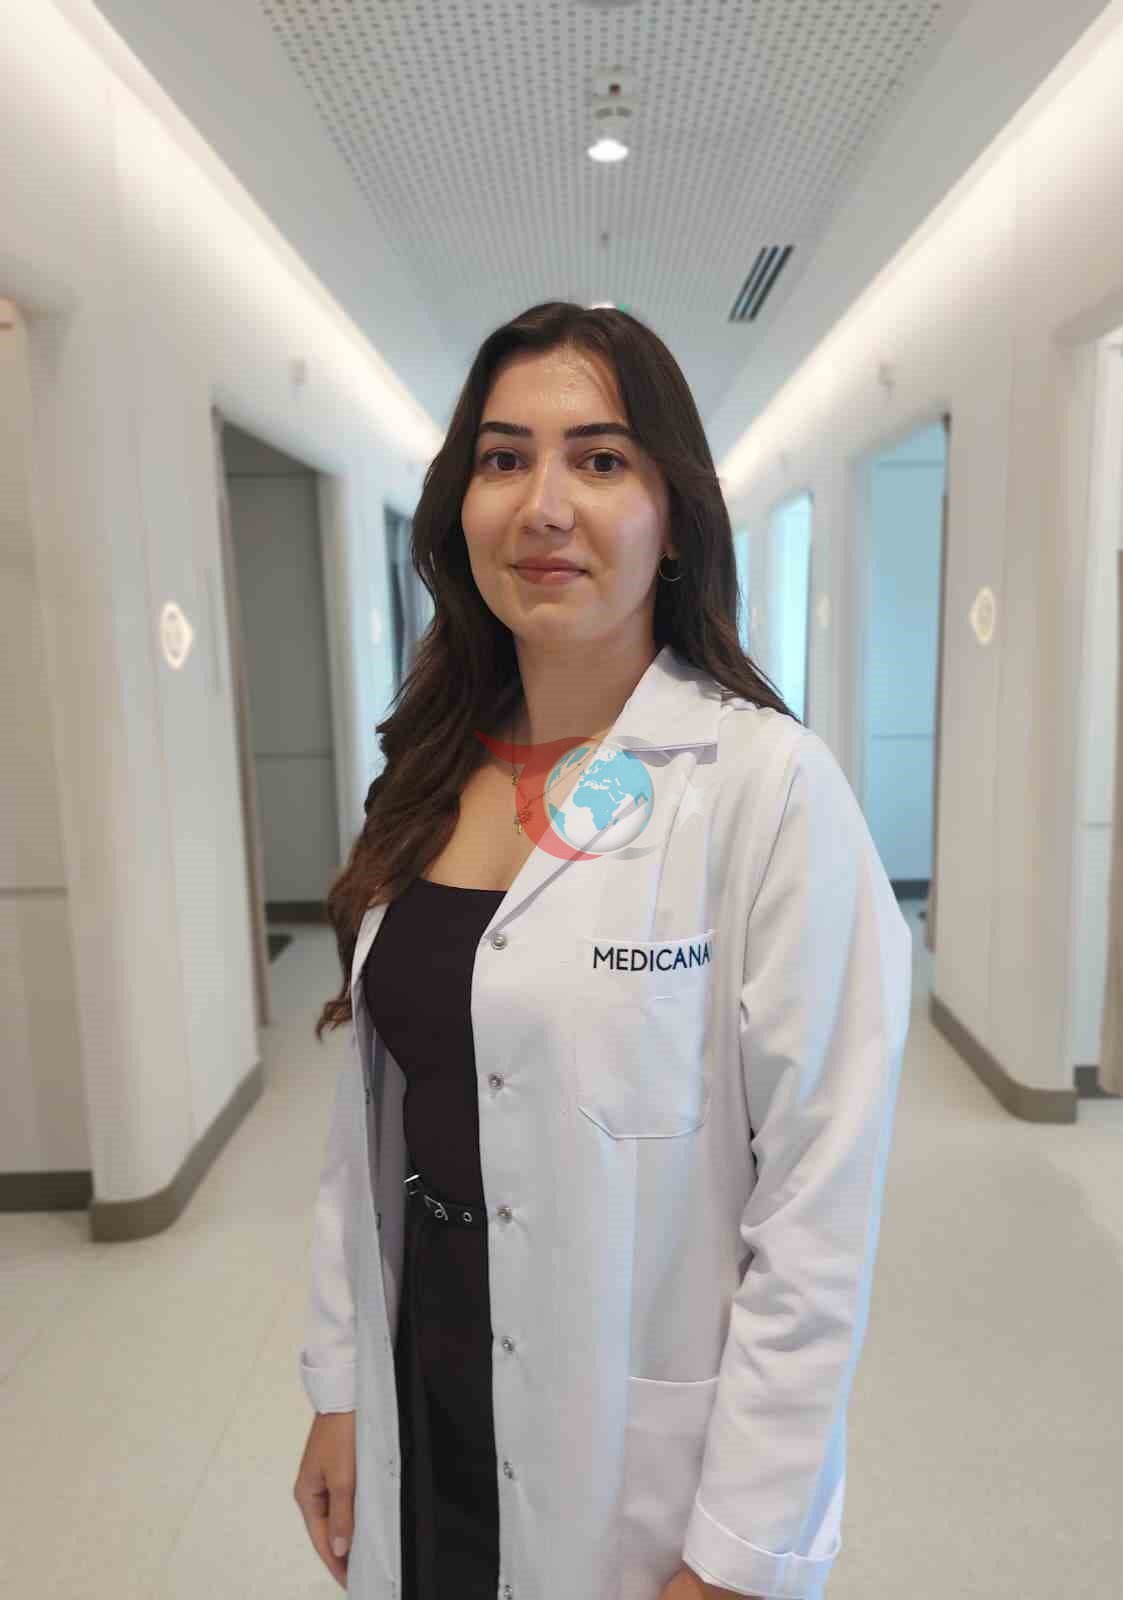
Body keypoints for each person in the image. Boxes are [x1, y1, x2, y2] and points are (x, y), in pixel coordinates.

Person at [292, 301, 913, 1600]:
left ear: (673, 517)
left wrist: (738, 1553)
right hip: (425, 1364)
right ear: (459, 508)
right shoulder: (424, 778)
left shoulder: (764, 787)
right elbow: (366, 1129)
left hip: (630, 1424)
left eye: (601, 459)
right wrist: (339, 1382)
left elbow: (819, 1210)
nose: (544, 506)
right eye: (503, 458)